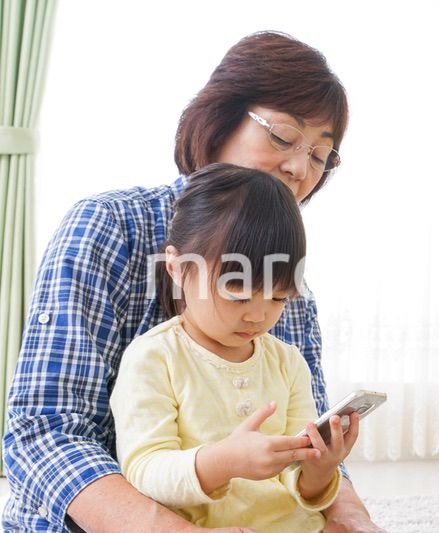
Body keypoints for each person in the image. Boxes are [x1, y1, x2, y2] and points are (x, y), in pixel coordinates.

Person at [3, 31, 383, 532]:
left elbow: (302, 439)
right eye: (285, 137)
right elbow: (43, 432)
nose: (299, 168)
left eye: (320, 156)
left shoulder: (287, 280)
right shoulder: (110, 226)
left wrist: (348, 513)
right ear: (219, 119)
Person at [110, 163, 357, 532]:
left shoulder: (287, 363)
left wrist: (319, 469)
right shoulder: (154, 358)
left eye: (278, 297)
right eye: (237, 294)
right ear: (177, 268)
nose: (258, 316)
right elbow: (145, 468)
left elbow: (300, 481)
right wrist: (221, 462)